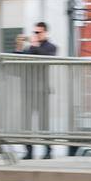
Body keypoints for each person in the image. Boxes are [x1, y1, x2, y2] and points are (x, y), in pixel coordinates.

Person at [20, 21, 58, 159]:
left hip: (42, 90)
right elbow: (21, 58)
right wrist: (19, 47)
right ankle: (28, 151)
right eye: (34, 32)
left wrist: (35, 45)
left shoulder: (51, 47)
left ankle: (48, 150)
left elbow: (46, 58)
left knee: (43, 122)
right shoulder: (30, 47)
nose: (35, 35)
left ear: (45, 32)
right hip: (29, 89)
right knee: (26, 122)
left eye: (38, 32)